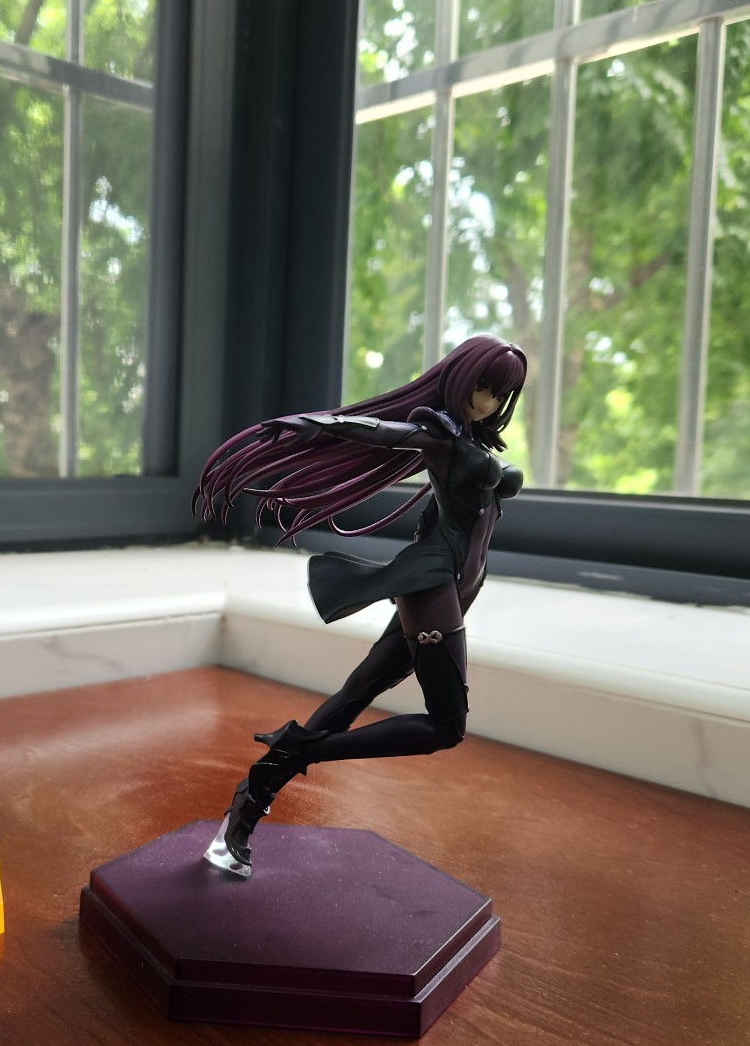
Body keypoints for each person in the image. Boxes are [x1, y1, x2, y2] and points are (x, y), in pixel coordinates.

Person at [194, 333, 528, 876]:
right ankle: (302, 749)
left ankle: (249, 802)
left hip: (452, 591)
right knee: (446, 727)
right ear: (461, 378)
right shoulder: (438, 437)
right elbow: (383, 432)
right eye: (483, 386)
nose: (488, 401)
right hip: (433, 585)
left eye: (501, 394)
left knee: (355, 693)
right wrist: (317, 425)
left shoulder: (471, 443)